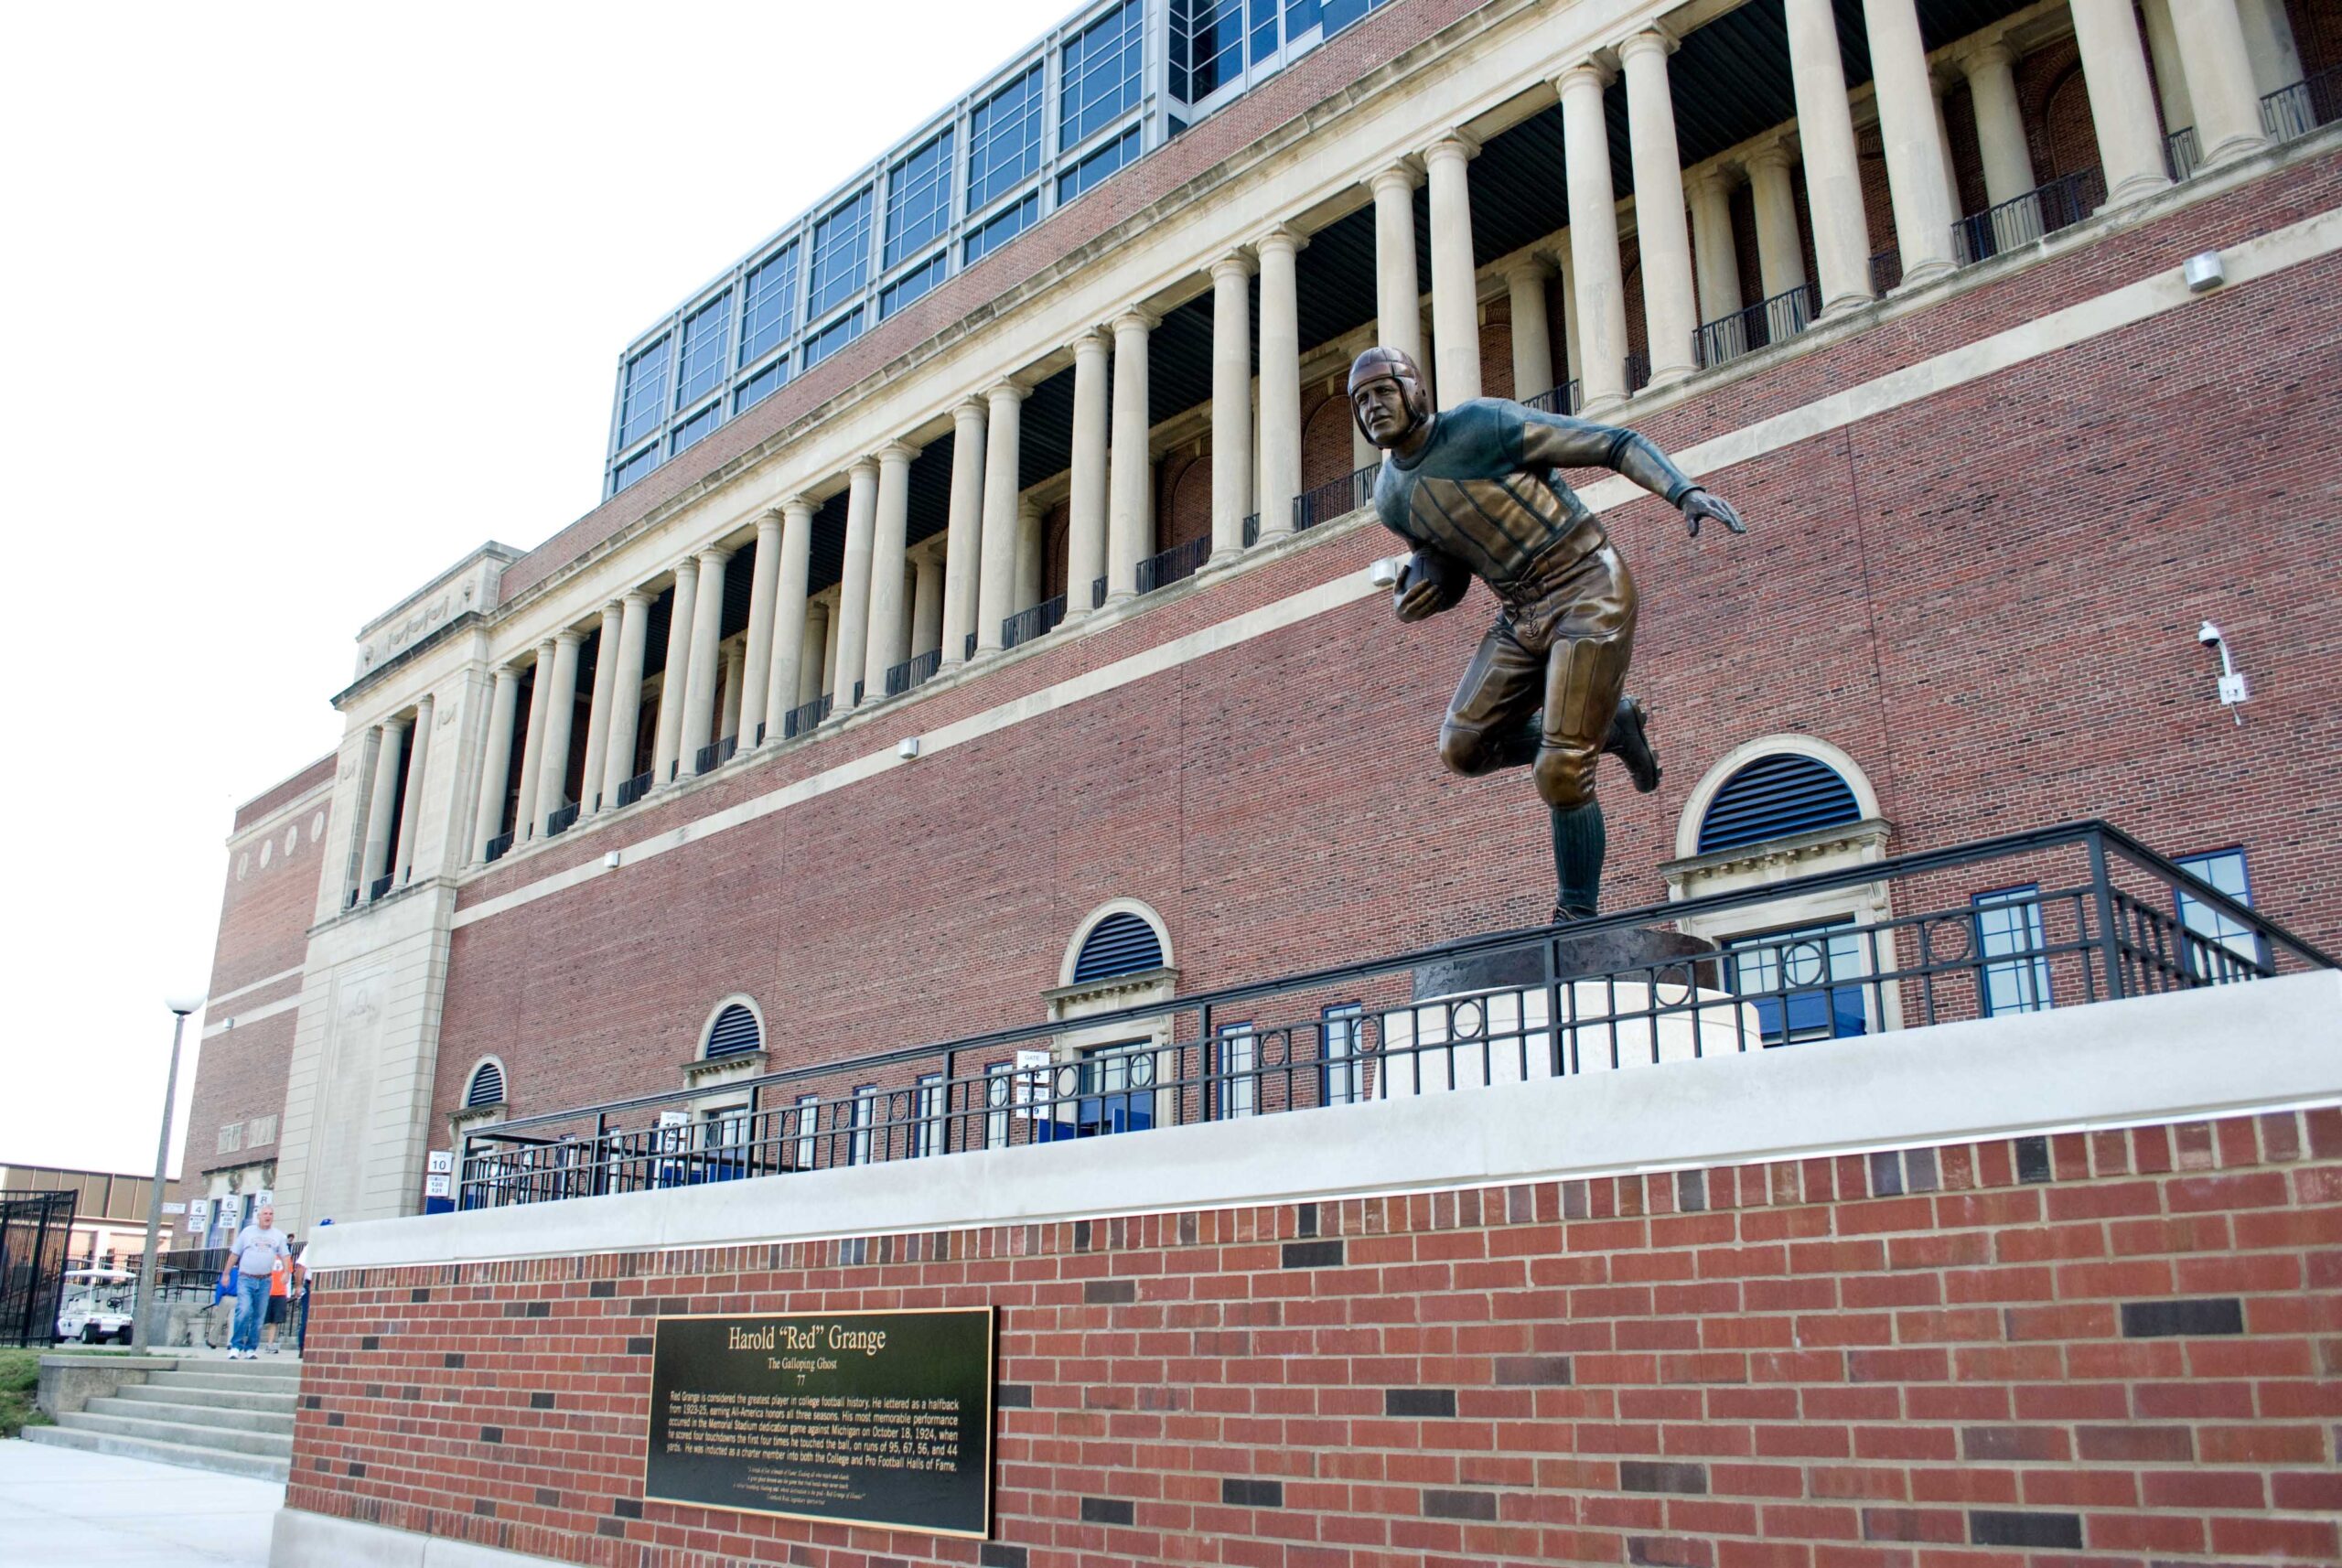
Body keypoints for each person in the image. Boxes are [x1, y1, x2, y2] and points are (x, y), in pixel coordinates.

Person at [1351, 346, 1747, 921]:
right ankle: (1608, 728)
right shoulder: (1389, 497)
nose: (1372, 408)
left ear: (1414, 390)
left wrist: (1683, 491)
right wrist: (1421, 595)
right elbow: (1447, 563)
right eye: (1362, 402)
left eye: (1382, 392)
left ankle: (1576, 918)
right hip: (1520, 612)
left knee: (1560, 770)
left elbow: (1616, 443)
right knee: (1462, 747)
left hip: (1587, 586)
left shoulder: (1484, 425)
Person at [226, 1203, 290, 1360]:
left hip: (264, 1280)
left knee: (259, 1317)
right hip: (246, 1278)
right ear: (259, 1216)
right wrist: (226, 1273)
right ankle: (236, 1346)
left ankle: (251, 1348)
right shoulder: (247, 1232)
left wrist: (286, 1272)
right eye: (265, 1213)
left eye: (271, 1214)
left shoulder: (278, 1236)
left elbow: (285, 1256)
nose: (268, 1216)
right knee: (244, 1310)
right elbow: (234, 1254)